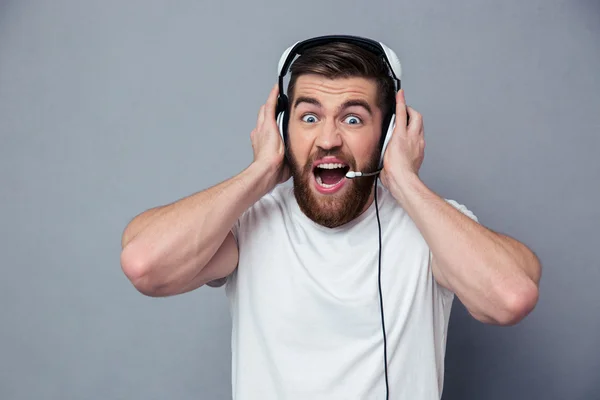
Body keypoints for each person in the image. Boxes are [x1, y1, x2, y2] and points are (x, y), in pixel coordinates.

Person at [120, 36, 542, 399]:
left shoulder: (432, 228)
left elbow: (510, 297)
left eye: (353, 118)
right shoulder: (246, 223)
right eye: (308, 117)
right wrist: (260, 172)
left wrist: (405, 180)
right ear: (283, 128)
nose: (327, 139)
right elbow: (145, 265)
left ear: (390, 133)